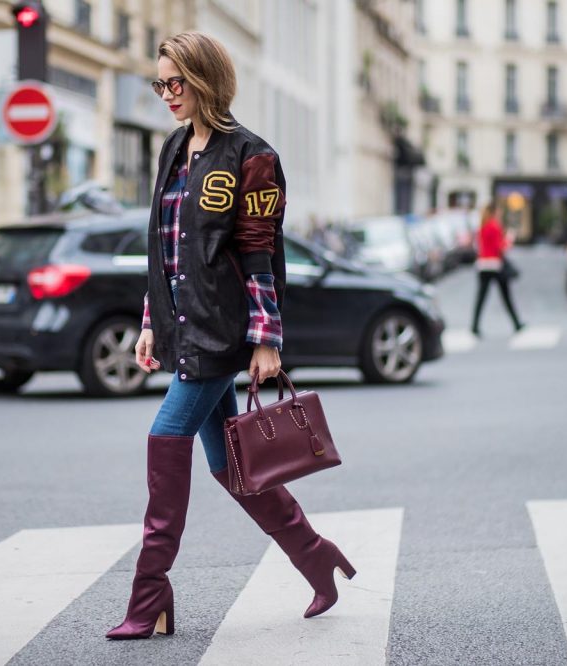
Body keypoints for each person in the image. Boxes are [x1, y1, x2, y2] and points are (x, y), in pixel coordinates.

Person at [106, 31, 355, 641]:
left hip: (221, 332)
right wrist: (149, 321)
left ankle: (149, 595)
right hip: (183, 327)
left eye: (176, 83)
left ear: (206, 80)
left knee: (166, 437)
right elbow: (163, 251)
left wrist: (265, 338)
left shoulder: (251, 156)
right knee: (231, 466)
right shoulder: (170, 148)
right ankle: (315, 556)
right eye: (160, 83)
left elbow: (258, 252)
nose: (167, 94)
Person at [471, 200, 525, 336]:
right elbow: (499, 247)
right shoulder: (494, 226)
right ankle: (516, 323)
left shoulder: (482, 226)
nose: (500, 213)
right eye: (499, 211)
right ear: (495, 212)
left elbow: (479, 246)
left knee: (481, 297)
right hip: (495, 265)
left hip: (483, 265)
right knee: (506, 297)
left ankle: (475, 325)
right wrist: (509, 239)